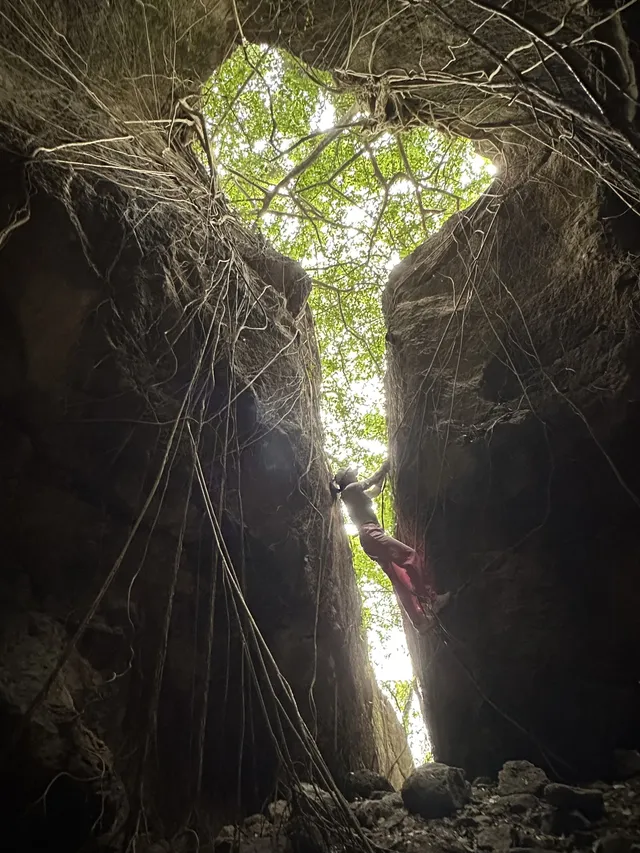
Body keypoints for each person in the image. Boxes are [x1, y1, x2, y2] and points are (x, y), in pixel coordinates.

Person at [332, 461, 450, 633]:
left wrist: (383, 476)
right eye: (351, 474)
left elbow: (375, 490)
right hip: (371, 534)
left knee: (400, 578)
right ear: (346, 479)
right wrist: (385, 466)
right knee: (411, 556)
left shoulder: (355, 495)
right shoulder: (350, 490)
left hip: (370, 538)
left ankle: (419, 622)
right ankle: (431, 600)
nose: (355, 475)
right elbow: (371, 481)